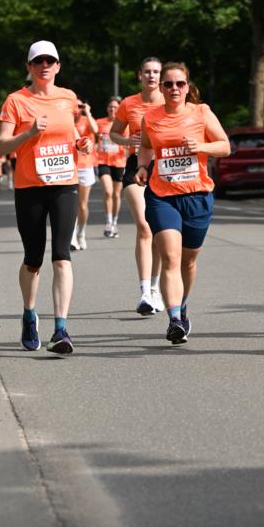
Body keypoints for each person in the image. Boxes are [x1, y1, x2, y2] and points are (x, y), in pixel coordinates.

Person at [0, 40, 93, 355]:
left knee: (62, 256)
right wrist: (29, 133)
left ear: (58, 66)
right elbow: (0, 146)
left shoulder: (68, 98)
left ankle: (61, 329)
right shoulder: (16, 101)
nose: (45, 66)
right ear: (29, 67)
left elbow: (73, 134)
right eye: (38, 61)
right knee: (33, 260)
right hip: (30, 187)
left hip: (65, 184)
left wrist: (82, 144)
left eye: (50, 61)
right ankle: (29, 313)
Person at [136, 61, 230, 344]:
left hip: (197, 196)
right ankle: (174, 318)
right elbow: (145, 146)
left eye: (179, 83)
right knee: (171, 258)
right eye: (168, 84)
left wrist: (201, 146)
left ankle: (183, 303)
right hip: (162, 196)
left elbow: (224, 146)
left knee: (188, 261)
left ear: (188, 87)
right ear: (161, 87)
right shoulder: (151, 117)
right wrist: (142, 167)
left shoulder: (201, 112)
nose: (174, 88)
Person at [110, 57, 165, 315]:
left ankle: (155, 288)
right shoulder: (129, 103)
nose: (151, 76)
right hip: (135, 165)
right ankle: (144, 293)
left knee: (159, 231)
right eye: (147, 72)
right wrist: (126, 140)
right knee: (144, 225)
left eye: (156, 72)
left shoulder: (170, 101)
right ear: (139, 75)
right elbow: (114, 133)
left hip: (164, 167)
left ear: (161, 76)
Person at [71, 99, 98, 251]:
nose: (78, 109)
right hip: (70, 166)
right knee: (71, 204)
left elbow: (96, 130)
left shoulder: (86, 120)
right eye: (75, 106)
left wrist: (87, 112)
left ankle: (81, 233)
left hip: (85, 166)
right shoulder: (66, 120)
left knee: (82, 205)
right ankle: (72, 237)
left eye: (80, 106)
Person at [96, 96, 126, 237]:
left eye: (115, 107)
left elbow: (128, 142)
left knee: (116, 194)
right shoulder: (100, 122)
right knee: (108, 192)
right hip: (103, 161)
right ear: (107, 108)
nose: (112, 109)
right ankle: (108, 223)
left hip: (119, 162)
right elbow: (92, 132)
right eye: (110, 107)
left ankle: (114, 222)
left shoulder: (123, 125)